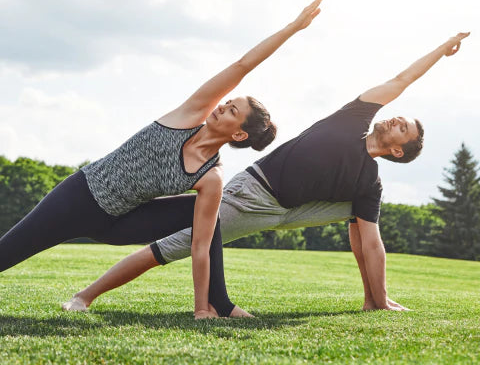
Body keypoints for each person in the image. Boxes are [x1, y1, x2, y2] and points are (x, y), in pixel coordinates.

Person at [64, 31, 470, 314]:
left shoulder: (370, 182)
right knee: (173, 246)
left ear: (398, 149)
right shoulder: (354, 118)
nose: (395, 119)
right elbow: (401, 80)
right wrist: (440, 50)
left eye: (402, 127)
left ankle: (373, 299)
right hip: (255, 195)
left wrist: (379, 295)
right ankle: (85, 296)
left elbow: (372, 243)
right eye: (399, 117)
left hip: (296, 210)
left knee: (363, 220)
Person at [0, 0, 325, 319]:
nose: (223, 105)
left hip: (117, 223)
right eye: (227, 102)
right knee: (8, 252)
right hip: (80, 197)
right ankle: (216, 305)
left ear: (239, 133)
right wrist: (293, 27)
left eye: (232, 110)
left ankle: (217, 305)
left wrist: (200, 310)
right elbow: (243, 65)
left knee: (206, 221)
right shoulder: (191, 114)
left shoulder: (211, 177)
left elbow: (200, 245)